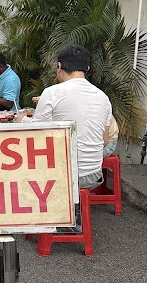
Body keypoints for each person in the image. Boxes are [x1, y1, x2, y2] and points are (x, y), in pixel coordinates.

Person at [33, 44, 112, 188]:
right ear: (87, 68)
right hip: (93, 175)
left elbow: (36, 137)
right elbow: (105, 141)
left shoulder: (52, 93)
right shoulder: (103, 98)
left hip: (62, 174)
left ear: (59, 66)